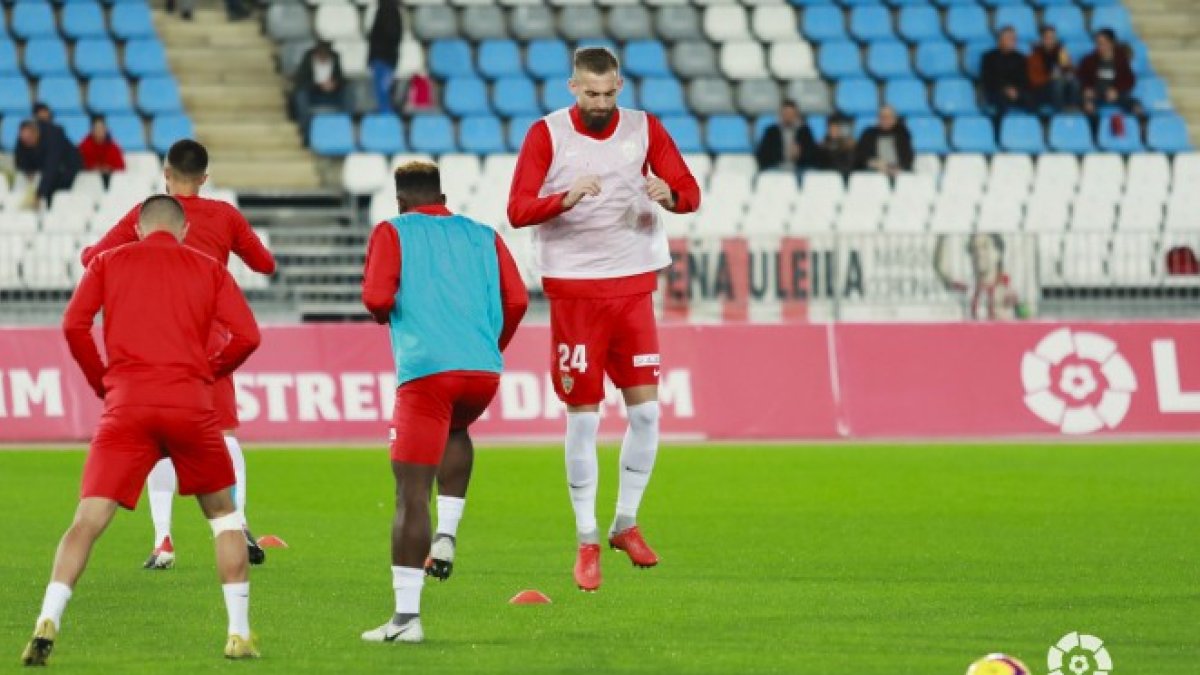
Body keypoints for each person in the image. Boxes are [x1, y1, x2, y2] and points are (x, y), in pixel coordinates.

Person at [21, 195, 261, 666]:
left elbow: (74, 324)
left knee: (86, 522)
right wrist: (209, 372)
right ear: (184, 231)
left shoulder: (109, 261)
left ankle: (49, 617)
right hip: (191, 405)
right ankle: (239, 633)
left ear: (138, 228)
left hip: (127, 405)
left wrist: (102, 381)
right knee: (224, 519)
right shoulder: (208, 267)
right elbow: (249, 335)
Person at [507, 47, 701, 592]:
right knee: (584, 421)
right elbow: (518, 209)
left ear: (620, 85)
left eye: (608, 93)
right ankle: (587, 538)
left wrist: (672, 195)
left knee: (646, 417)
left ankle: (626, 524)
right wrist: (563, 199)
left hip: (635, 287)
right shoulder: (547, 135)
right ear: (572, 87)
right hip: (575, 295)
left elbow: (690, 190)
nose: (599, 102)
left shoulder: (644, 128)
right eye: (590, 93)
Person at [81, 140, 276, 571]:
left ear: (166, 175)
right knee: (222, 434)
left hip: (158, 337)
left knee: (158, 440)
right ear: (204, 178)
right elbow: (264, 264)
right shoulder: (225, 215)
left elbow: (92, 259)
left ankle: (163, 538)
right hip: (211, 340)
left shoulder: (144, 216)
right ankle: (237, 521)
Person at [359, 161, 528, 642]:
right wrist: (488, 344)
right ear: (442, 195)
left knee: (410, 495)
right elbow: (516, 300)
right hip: (482, 370)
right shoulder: (483, 234)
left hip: (427, 371)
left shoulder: (392, 231)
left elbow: (375, 297)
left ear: (400, 200)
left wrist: (389, 309)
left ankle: (406, 619)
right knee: (457, 429)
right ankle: (447, 534)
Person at [934, 233, 1026, 320]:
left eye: (985, 247)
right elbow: (941, 269)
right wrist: (943, 234)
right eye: (974, 249)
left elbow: (1029, 317)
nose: (979, 253)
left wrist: (1007, 319)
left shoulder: (1011, 288)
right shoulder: (967, 288)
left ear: (998, 253)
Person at [14, 118, 82, 208]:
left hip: (67, 168)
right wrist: (27, 169)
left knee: (57, 197)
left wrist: (39, 195)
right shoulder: (24, 139)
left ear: (35, 133)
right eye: (24, 140)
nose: (26, 143)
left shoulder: (54, 136)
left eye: (29, 139)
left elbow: (51, 167)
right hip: (47, 169)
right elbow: (20, 158)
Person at [1078, 29, 1143, 119]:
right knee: (1088, 106)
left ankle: (1141, 128)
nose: (1099, 46)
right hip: (1096, 93)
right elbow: (1081, 77)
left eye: (1102, 43)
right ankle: (1095, 130)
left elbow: (1130, 80)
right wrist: (1087, 88)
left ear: (1111, 43)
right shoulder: (1089, 60)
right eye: (1097, 43)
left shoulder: (1121, 60)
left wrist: (1116, 90)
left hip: (1116, 93)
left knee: (1137, 107)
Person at [293, 41, 349, 132]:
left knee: (348, 92)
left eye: (326, 54)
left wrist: (335, 84)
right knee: (301, 95)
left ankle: (344, 127)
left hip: (332, 93)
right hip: (313, 92)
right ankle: (305, 131)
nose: (323, 57)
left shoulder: (335, 58)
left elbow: (341, 78)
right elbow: (302, 80)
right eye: (321, 54)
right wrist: (319, 86)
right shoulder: (308, 59)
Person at [754, 100, 819, 175]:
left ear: (796, 115)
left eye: (791, 114)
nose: (788, 116)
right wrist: (780, 154)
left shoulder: (805, 132)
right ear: (781, 114)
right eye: (786, 113)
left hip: (799, 168)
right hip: (776, 167)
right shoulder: (771, 132)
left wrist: (800, 154)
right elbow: (762, 153)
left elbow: (813, 154)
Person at [981, 27, 1032, 117]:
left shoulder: (1020, 58)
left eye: (1014, 39)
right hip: (996, 91)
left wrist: (1017, 91)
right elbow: (988, 79)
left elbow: (1024, 79)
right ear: (1000, 40)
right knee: (1001, 102)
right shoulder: (989, 57)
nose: (1013, 41)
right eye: (1009, 39)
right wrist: (1005, 89)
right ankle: (1001, 129)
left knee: (1032, 99)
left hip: (1016, 92)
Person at [1027, 25, 1080, 111]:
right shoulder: (1035, 56)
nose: (1050, 40)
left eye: (1052, 38)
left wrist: (1069, 67)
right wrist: (1050, 77)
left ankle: (1073, 109)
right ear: (1042, 39)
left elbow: (1071, 70)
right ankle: (1061, 112)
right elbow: (1034, 80)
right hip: (1043, 88)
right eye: (1047, 38)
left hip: (1063, 83)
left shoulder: (1061, 52)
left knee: (1075, 82)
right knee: (1058, 83)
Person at [854, 105, 913, 177]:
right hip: (874, 172)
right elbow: (860, 156)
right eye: (882, 117)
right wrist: (873, 163)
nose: (885, 119)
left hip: (898, 172)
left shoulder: (902, 133)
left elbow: (908, 157)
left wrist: (898, 168)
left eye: (888, 117)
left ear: (895, 119)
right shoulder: (869, 134)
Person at [368, 0, 402, 113]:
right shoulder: (389, 11)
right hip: (384, 58)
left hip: (383, 59)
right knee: (383, 94)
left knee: (383, 94)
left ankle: (386, 118)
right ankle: (386, 117)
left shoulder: (386, 11)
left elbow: (390, 36)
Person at [78, 116, 126, 187]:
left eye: (101, 128)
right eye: (96, 128)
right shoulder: (84, 146)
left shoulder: (113, 147)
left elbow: (121, 167)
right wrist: (93, 168)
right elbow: (79, 165)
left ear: (106, 129)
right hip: (89, 184)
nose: (99, 131)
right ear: (92, 130)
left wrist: (109, 169)